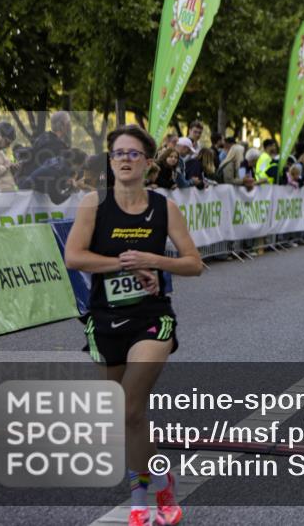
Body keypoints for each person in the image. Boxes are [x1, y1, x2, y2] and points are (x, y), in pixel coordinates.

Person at [64, 124, 203, 526]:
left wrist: (154, 261)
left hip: (151, 318)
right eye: (118, 153)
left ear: (147, 162)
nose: (125, 160)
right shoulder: (93, 204)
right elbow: (74, 257)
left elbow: (194, 263)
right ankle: (161, 479)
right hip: (105, 318)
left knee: (128, 406)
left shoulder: (163, 208)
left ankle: (142, 498)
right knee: (126, 415)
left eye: (133, 153)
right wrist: (124, 264)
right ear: (110, 161)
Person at [19, 110, 72, 181]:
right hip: (42, 184)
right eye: (68, 123)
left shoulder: (42, 137)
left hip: (29, 180)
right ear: (63, 125)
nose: (70, 126)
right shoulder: (58, 146)